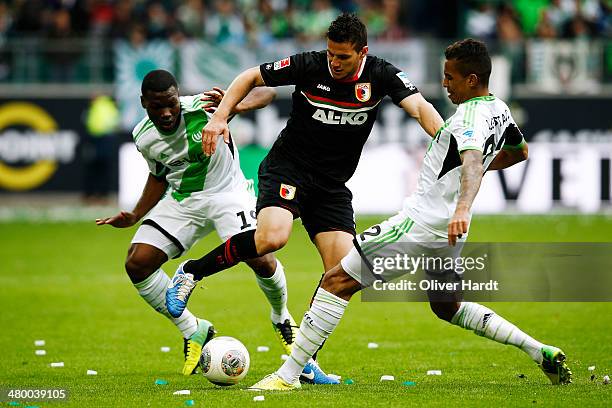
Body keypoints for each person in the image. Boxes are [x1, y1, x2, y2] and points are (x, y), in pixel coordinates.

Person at [247, 38, 572, 390]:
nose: (444, 84)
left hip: (421, 224)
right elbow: (520, 152)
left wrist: (463, 201)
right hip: (450, 231)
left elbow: (475, 160)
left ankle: (288, 375)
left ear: (472, 79)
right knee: (447, 306)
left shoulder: (468, 118)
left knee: (336, 281)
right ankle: (539, 350)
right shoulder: (499, 110)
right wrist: (460, 183)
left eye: (450, 78)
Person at [165, 13, 444, 384]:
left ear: (363, 52)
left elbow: (420, 107)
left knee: (340, 275)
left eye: (343, 56)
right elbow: (251, 77)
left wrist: (448, 142)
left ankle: (304, 362)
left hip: (330, 187)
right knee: (271, 238)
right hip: (288, 169)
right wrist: (220, 116)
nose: (334, 62)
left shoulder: (382, 75)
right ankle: (192, 272)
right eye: (331, 54)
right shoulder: (310, 64)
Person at [96, 70, 298, 376]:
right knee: (137, 263)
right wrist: (136, 214)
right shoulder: (143, 136)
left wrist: (232, 108)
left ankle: (282, 317)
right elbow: (158, 175)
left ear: (178, 98)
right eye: (156, 106)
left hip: (228, 194)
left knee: (261, 259)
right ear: (143, 103)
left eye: (171, 104)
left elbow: (266, 94)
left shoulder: (202, 106)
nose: (165, 112)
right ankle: (194, 329)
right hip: (183, 201)